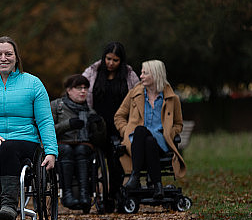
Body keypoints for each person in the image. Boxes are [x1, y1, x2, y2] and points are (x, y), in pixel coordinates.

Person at [0, 36, 57, 220]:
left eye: (8, 54)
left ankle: (8, 204)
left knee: (8, 147)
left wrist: (51, 151)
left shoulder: (33, 83)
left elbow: (45, 121)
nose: (3, 58)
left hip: (25, 141)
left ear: (16, 57)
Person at [114, 59, 186, 199]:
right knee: (144, 136)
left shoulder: (172, 99)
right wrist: (126, 131)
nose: (140, 76)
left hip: (161, 142)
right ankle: (158, 185)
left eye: (144, 73)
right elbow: (119, 116)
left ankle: (135, 177)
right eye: (141, 73)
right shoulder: (134, 94)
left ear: (155, 75)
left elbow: (178, 124)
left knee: (146, 136)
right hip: (135, 143)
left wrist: (171, 133)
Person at [82, 41, 139, 210]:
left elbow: (137, 97)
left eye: (115, 60)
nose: (111, 63)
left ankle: (113, 196)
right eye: (108, 59)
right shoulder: (92, 72)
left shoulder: (129, 75)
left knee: (116, 163)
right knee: (93, 162)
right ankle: (92, 196)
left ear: (121, 60)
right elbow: (80, 92)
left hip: (120, 125)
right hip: (98, 125)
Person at [50, 74, 106, 210]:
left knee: (82, 150)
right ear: (69, 90)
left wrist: (99, 125)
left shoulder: (90, 111)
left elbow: (99, 140)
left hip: (84, 145)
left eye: (85, 88)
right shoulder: (57, 106)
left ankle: (84, 194)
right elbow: (48, 130)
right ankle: (67, 194)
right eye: (79, 88)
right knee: (67, 150)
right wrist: (68, 125)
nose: (83, 91)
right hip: (62, 144)